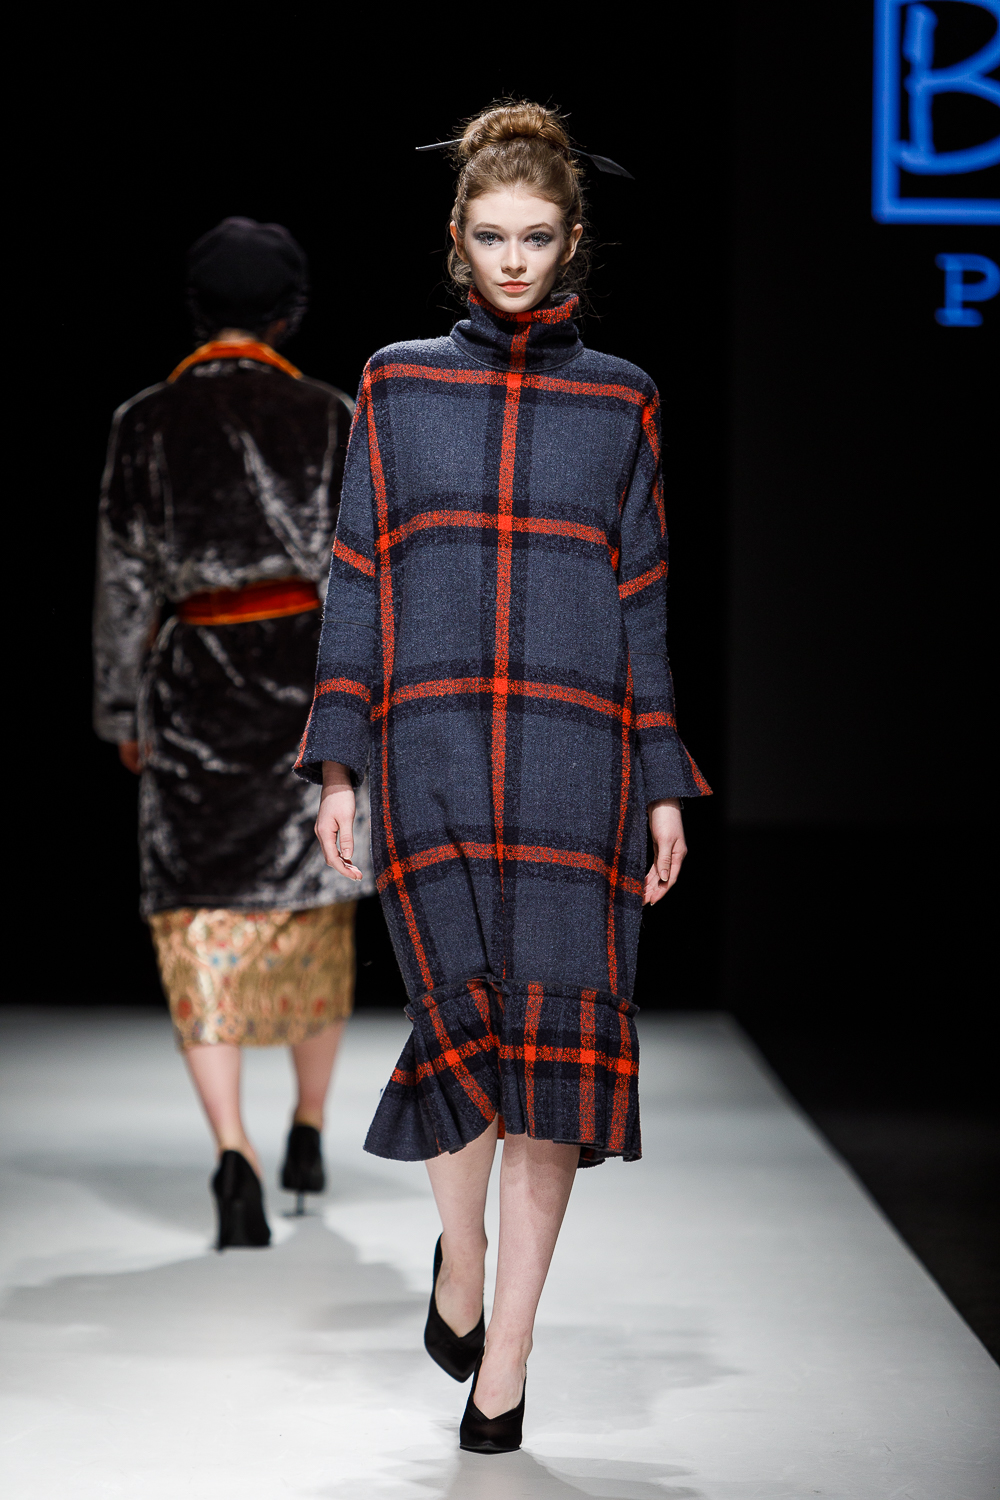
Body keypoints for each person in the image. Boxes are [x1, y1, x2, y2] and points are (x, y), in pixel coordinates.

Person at [296, 102, 710, 1452]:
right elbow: (357, 577)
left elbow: (643, 599)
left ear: (573, 240)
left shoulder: (621, 398)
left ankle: (508, 1359)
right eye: (491, 237)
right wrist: (339, 761)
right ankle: (461, 1260)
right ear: (456, 240)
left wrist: (660, 775)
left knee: (554, 1055)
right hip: (428, 752)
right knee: (459, 1030)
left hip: (577, 761)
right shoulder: (397, 385)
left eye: (536, 237)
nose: (515, 261)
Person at [93, 217, 375, 1250]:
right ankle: (308, 1128)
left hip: (195, 689)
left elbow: (124, 581)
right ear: (289, 313)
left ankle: (232, 1151)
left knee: (197, 917)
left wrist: (121, 708)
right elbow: (360, 576)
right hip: (307, 689)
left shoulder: (144, 421)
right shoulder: (332, 415)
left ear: (196, 310)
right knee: (314, 911)